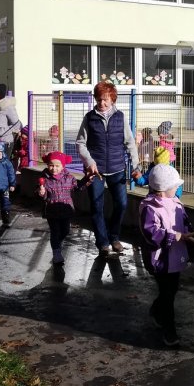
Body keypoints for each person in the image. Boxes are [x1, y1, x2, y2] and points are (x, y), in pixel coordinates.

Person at [75, 82, 141, 257]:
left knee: (122, 204)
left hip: (117, 168)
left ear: (112, 99)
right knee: (97, 207)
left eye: (105, 99)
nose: (101, 103)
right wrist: (89, 162)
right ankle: (103, 242)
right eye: (98, 99)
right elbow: (80, 143)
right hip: (95, 171)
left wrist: (136, 166)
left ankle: (114, 237)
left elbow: (130, 142)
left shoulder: (120, 117)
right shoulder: (89, 118)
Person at [138, 164, 194, 347]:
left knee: (172, 290)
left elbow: (184, 221)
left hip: (175, 256)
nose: (178, 188)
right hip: (160, 260)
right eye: (175, 186)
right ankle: (169, 330)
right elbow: (151, 233)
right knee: (167, 294)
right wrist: (174, 236)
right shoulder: (149, 208)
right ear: (163, 189)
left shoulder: (175, 202)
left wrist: (188, 232)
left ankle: (156, 310)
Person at [38, 151, 87, 265]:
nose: (54, 168)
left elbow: (78, 187)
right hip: (51, 210)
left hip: (66, 210)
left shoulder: (69, 178)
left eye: (57, 165)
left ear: (63, 166)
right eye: (51, 165)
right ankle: (56, 253)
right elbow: (40, 193)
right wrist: (41, 192)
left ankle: (57, 244)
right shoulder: (44, 179)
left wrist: (87, 179)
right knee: (55, 231)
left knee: (65, 230)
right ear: (47, 165)